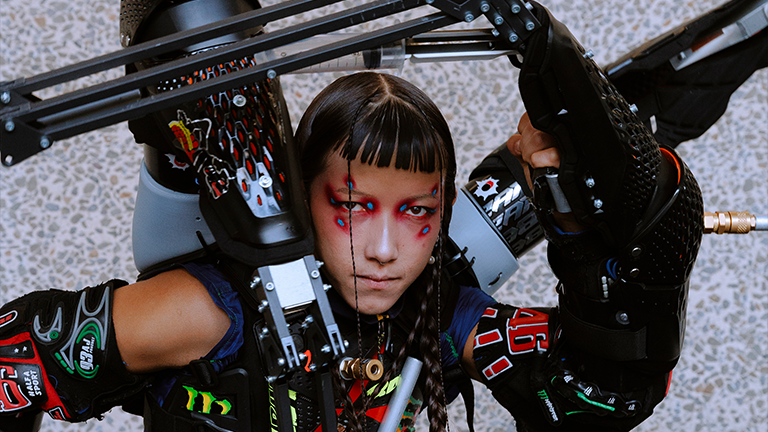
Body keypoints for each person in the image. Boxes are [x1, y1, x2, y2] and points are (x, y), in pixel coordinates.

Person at [0, 1, 702, 432]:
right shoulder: (208, 312)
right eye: (354, 207)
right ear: (303, 195)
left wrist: (583, 220)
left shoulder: (444, 311)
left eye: (417, 211)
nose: (386, 248)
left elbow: (602, 396)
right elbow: (18, 353)